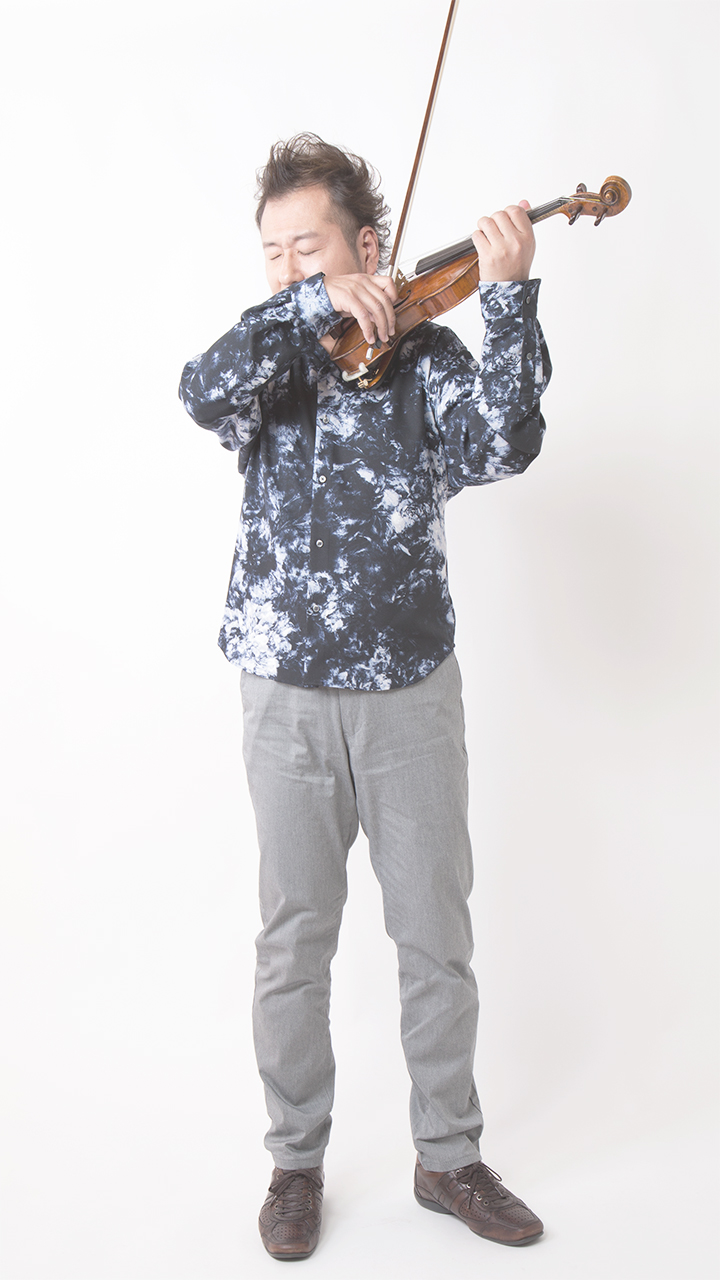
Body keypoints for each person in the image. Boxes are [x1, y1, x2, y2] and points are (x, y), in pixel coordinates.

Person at [179, 133, 551, 1261]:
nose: (291, 267)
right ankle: (295, 1163)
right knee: (293, 940)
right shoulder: (273, 355)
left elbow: (506, 442)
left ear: (371, 245)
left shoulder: (427, 358)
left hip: (409, 694)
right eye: (274, 252)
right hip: (284, 695)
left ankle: (449, 1156)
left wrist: (511, 298)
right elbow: (198, 391)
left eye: (313, 248)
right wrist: (306, 305)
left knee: (435, 933)